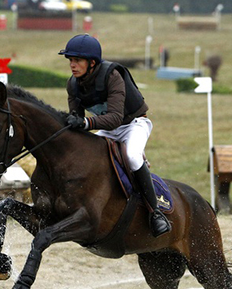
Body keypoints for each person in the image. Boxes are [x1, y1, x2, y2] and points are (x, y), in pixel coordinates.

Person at [58, 33, 171, 237]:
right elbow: (77, 119)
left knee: (132, 156)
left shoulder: (112, 75)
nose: (72, 65)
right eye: (70, 61)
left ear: (92, 63)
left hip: (133, 124)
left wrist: (85, 123)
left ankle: (155, 213)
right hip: (108, 129)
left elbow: (116, 118)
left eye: (77, 60)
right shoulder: (73, 84)